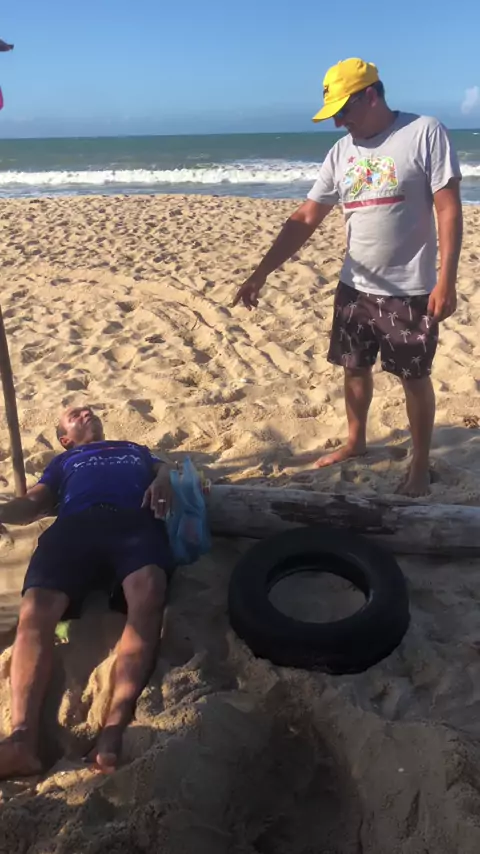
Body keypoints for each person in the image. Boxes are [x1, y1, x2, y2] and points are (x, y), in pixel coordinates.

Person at [233, 58, 463, 496]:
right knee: (354, 369)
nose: (339, 121)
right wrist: (260, 272)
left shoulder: (424, 132)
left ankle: (419, 464)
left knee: (414, 378)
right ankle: (356, 441)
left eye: (344, 110)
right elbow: (306, 217)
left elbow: (448, 208)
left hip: (410, 288)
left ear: (371, 95)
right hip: (354, 286)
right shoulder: (341, 153)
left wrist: (446, 280)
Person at [0, 406, 175, 779]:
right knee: (35, 609)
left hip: (132, 521)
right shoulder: (64, 462)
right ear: (65, 439)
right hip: (74, 526)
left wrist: (164, 479)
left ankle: (113, 727)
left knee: (149, 591)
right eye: (73, 415)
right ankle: (22, 740)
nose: (85, 412)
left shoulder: (133, 448)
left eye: (88, 410)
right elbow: (32, 504)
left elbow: (163, 467)